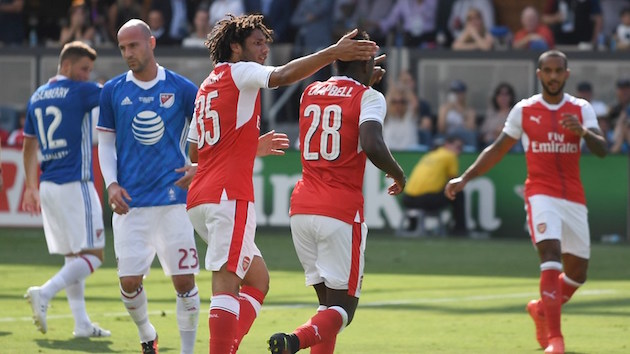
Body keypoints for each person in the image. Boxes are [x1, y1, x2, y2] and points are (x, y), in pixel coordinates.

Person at [185, 14, 378, 353]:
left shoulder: (207, 85)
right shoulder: (241, 71)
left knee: (257, 280)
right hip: (229, 195)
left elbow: (197, 152)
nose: (264, 50)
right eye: (257, 43)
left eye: (266, 44)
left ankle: (227, 347)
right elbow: (283, 75)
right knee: (226, 282)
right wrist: (334, 52)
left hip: (200, 196)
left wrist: (249, 147)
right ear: (235, 47)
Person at [445, 50, 608, 354]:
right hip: (540, 193)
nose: (553, 76)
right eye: (547, 70)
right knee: (550, 254)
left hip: (573, 197)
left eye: (558, 70)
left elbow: (602, 149)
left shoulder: (581, 109)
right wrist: (465, 178)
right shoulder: (524, 110)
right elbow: (497, 149)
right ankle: (555, 340)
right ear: (539, 74)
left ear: (567, 74)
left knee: (577, 274)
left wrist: (583, 132)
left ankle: (541, 308)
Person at [267, 30, 406, 354]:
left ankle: (301, 339)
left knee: (327, 306)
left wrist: (363, 77)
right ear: (367, 61)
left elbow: (340, 105)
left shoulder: (310, 91)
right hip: (340, 212)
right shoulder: (370, 97)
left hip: (301, 208)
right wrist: (397, 172)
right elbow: (371, 143)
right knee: (344, 311)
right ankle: (294, 341)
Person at [97, 19, 200, 354]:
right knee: (129, 283)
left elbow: (205, 132)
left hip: (174, 201)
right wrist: (111, 184)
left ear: (151, 43)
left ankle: (187, 350)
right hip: (131, 201)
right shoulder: (112, 91)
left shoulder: (182, 88)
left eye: (134, 45)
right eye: (123, 47)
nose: (128, 53)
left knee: (184, 281)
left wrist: (199, 166)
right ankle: (147, 334)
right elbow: (106, 144)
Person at [22, 41, 110, 338]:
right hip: (76, 184)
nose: (87, 74)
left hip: (48, 186)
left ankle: (81, 324)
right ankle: (44, 293)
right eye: (84, 68)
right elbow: (110, 93)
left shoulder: (37, 96)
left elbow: (28, 146)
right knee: (95, 255)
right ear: (67, 66)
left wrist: (31, 187)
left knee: (74, 257)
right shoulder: (81, 90)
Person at [402, 135, 466, 235]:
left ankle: (412, 225)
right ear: (447, 145)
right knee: (458, 193)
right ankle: (460, 229)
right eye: (457, 147)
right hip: (425, 200)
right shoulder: (450, 156)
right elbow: (454, 181)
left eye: (461, 148)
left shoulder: (430, 155)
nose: (459, 151)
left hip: (407, 199)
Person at [437, 79, 478, 151]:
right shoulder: (444, 108)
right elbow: (441, 129)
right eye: (454, 92)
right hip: (449, 137)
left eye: (459, 92)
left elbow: (470, 128)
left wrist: (460, 110)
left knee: (470, 135)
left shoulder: (469, 110)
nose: (457, 95)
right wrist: (446, 110)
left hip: (464, 139)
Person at [480, 82, 516, 148]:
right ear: (496, 97)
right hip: (491, 144)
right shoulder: (491, 113)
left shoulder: (515, 112)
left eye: (506, 94)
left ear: (511, 97)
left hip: (510, 144)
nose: (503, 98)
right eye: (500, 94)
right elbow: (483, 132)